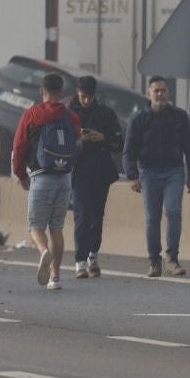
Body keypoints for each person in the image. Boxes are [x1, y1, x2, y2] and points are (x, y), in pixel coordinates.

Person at [123, 75, 190, 278]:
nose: (160, 94)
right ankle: (154, 261)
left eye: (163, 90)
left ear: (168, 93)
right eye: (156, 90)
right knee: (152, 217)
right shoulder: (139, 120)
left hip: (174, 171)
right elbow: (129, 150)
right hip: (148, 173)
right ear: (149, 93)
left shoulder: (179, 116)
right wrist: (132, 175)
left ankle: (172, 259)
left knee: (173, 212)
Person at [11, 72, 81, 291]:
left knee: (35, 228)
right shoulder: (71, 116)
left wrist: (21, 175)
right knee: (57, 228)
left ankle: (43, 252)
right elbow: (78, 142)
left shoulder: (31, 114)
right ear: (61, 93)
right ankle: (56, 278)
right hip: (64, 179)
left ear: (42, 91)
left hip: (40, 177)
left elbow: (19, 146)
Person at [66, 75, 122, 279]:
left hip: (100, 171)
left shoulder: (105, 114)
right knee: (81, 215)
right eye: (83, 96)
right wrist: (79, 140)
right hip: (78, 171)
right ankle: (80, 261)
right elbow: (61, 141)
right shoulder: (68, 114)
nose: (86, 101)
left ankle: (93, 255)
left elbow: (118, 142)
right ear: (77, 93)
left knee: (97, 216)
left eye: (89, 97)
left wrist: (102, 137)